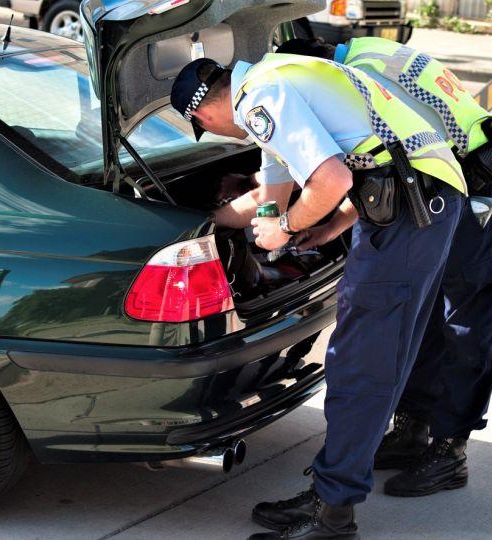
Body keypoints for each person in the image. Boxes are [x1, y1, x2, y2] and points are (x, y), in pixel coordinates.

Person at [170, 49, 466, 539]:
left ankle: (331, 515)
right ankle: (332, 491)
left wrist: (286, 229)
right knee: (374, 359)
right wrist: (216, 222)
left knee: (359, 364)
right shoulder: (274, 76)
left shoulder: (259, 100)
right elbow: (275, 193)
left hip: (408, 214)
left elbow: (331, 181)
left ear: (202, 115)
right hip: (417, 201)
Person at [276, 37, 492, 497]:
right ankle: (413, 428)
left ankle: (450, 448)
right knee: (424, 309)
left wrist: (327, 216)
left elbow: (405, 158)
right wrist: (335, 225)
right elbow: (395, 159)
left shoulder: (360, 75)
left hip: (482, 181)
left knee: (464, 320)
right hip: (451, 179)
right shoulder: (363, 53)